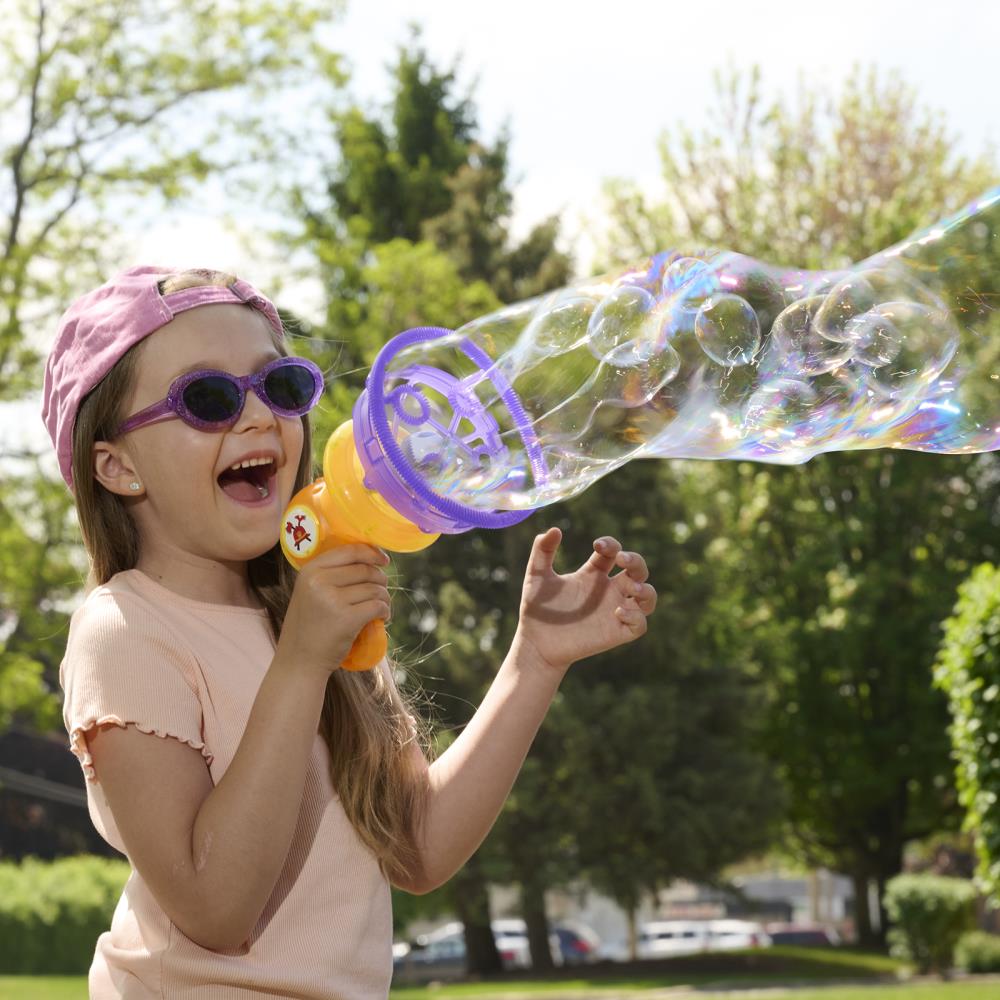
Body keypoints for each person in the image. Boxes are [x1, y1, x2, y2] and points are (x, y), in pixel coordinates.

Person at [41, 265, 658, 998]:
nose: (259, 416)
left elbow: (418, 848)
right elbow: (215, 909)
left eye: (283, 386)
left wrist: (535, 659)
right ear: (116, 466)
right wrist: (301, 663)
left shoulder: (310, 609)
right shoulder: (126, 630)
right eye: (207, 399)